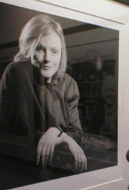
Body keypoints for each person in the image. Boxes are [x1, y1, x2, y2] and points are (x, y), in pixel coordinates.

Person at [0, 14, 87, 172]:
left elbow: (77, 133)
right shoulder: (17, 71)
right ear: (29, 49)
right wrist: (63, 137)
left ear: (61, 53)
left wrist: (56, 133)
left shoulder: (70, 84)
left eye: (54, 51)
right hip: (23, 166)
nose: (47, 58)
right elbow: (19, 130)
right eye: (40, 49)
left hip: (60, 166)